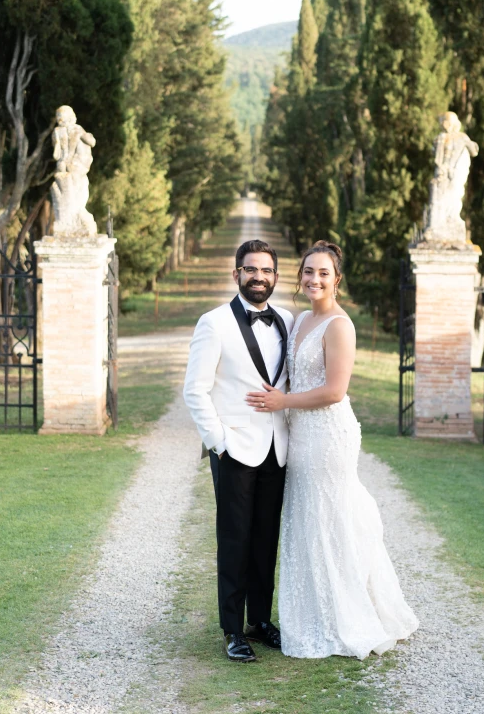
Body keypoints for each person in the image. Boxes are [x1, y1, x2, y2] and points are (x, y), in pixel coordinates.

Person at [246, 240, 419, 659]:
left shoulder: (340, 326)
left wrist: (282, 402)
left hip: (328, 436)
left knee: (330, 519)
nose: (314, 279)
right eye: (308, 272)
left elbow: (335, 390)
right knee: (307, 519)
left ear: (336, 279)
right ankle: (315, 613)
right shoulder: (301, 319)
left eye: (323, 273)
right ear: (299, 276)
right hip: (300, 435)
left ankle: (345, 616)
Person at [183, 239, 294, 662]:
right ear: (237, 274)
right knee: (235, 539)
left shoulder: (287, 319)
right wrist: (219, 442)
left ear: (275, 277)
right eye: (250, 270)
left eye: (266, 270)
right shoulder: (213, 323)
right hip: (234, 449)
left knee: (266, 539)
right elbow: (195, 390)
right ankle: (233, 629)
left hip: (276, 449)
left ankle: (260, 621)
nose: (258, 277)